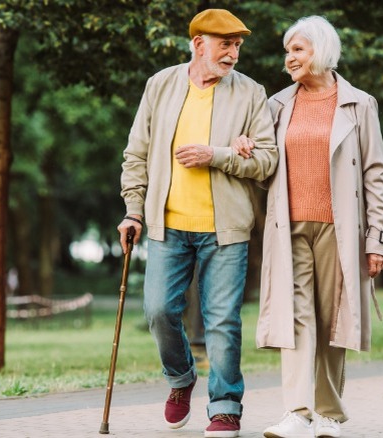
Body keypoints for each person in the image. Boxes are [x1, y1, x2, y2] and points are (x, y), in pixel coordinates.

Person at [232, 15, 383, 438]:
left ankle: (328, 414)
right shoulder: (276, 105)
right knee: (296, 317)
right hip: (288, 226)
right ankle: (297, 413)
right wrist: (244, 145)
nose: (289, 58)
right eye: (288, 51)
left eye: (298, 50)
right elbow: (262, 161)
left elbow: (376, 175)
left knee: (332, 320)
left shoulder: (360, 104)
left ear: (321, 51)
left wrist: (377, 239)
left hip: (340, 229)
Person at [117, 8, 278, 438]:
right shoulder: (161, 85)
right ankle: (181, 378)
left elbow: (267, 162)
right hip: (167, 227)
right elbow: (136, 154)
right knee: (158, 311)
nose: (233, 54)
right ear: (198, 44)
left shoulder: (250, 93)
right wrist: (134, 210)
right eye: (225, 44)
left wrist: (218, 155)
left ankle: (225, 406)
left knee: (222, 319)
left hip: (226, 230)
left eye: (238, 45)